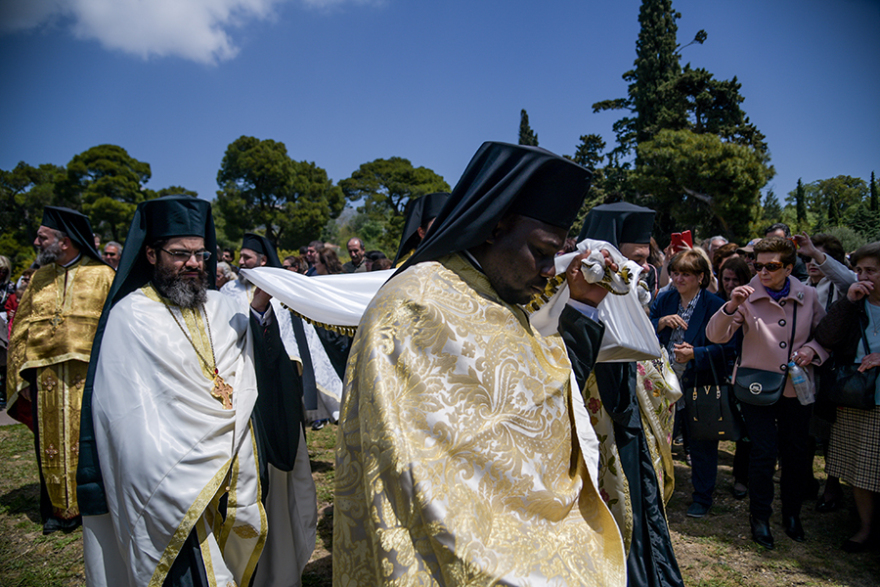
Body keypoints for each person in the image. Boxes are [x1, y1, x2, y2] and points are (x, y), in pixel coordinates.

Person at [334, 142, 626, 586]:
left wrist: (582, 306)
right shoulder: (416, 303)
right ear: (494, 227)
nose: (550, 270)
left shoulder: (496, 294)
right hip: (444, 541)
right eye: (541, 251)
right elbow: (415, 456)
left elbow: (535, 392)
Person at [76, 195, 316, 587]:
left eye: (200, 254)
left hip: (239, 469)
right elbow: (124, 416)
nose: (192, 264)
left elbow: (260, 363)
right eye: (179, 254)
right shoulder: (130, 316)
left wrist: (259, 309)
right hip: (172, 475)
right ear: (152, 255)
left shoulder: (222, 306)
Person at [579, 202, 685, 587]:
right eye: (634, 258)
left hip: (634, 426)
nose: (642, 269)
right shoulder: (576, 298)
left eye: (646, 260)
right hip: (602, 427)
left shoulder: (633, 292)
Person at [707, 236, 829, 549]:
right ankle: (759, 517)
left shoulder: (809, 295)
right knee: (762, 453)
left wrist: (812, 350)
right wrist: (731, 304)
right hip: (756, 386)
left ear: (789, 267)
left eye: (771, 266)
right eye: (758, 265)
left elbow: (824, 336)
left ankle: (791, 515)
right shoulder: (746, 295)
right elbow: (716, 335)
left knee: (795, 453)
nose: (762, 272)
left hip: (796, 386)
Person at [6, 207, 115, 534]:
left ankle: (91, 507)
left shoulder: (102, 275)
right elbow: (21, 329)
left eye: (43, 236)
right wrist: (21, 377)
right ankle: (57, 511)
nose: (37, 240)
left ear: (64, 240)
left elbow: (114, 328)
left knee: (88, 442)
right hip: (45, 378)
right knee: (49, 445)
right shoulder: (39, 278)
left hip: (89, 376)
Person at [651, 250, 735, 518]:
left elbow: (729, 348)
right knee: (659, 438)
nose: (678, 278)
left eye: (685, 274)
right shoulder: (665, 300)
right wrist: (661, 322)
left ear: (701, 277)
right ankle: (656, 490)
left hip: (700, 381)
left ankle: (702, 496)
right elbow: (642, 330)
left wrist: (696, 353)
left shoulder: (714, 304)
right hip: (664, 381)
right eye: (675, 273)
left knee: (702, 443)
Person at [814, 242, 880, 553]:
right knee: (860, 468)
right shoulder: (854, 302)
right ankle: (865, 527)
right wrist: (848, 303)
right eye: (860, 270)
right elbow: (825, 337)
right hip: (855, 396)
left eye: (871, 271)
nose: (863, 276)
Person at [793, 232, 857, 511]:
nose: (811, 263)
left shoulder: (842, 286)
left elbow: (847, 278)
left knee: (832, 431)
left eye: (818, 258)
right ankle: (805, 481)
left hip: (836, 369)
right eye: (806, 258)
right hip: (806, 369)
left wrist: (819, 254)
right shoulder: (802, 286)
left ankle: (833, 487)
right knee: (806, 428)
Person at [393, 191, 450, 265]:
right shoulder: (404, 268)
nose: (445, 229)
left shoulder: (463, 262)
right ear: (422, 232)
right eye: (438, 225)